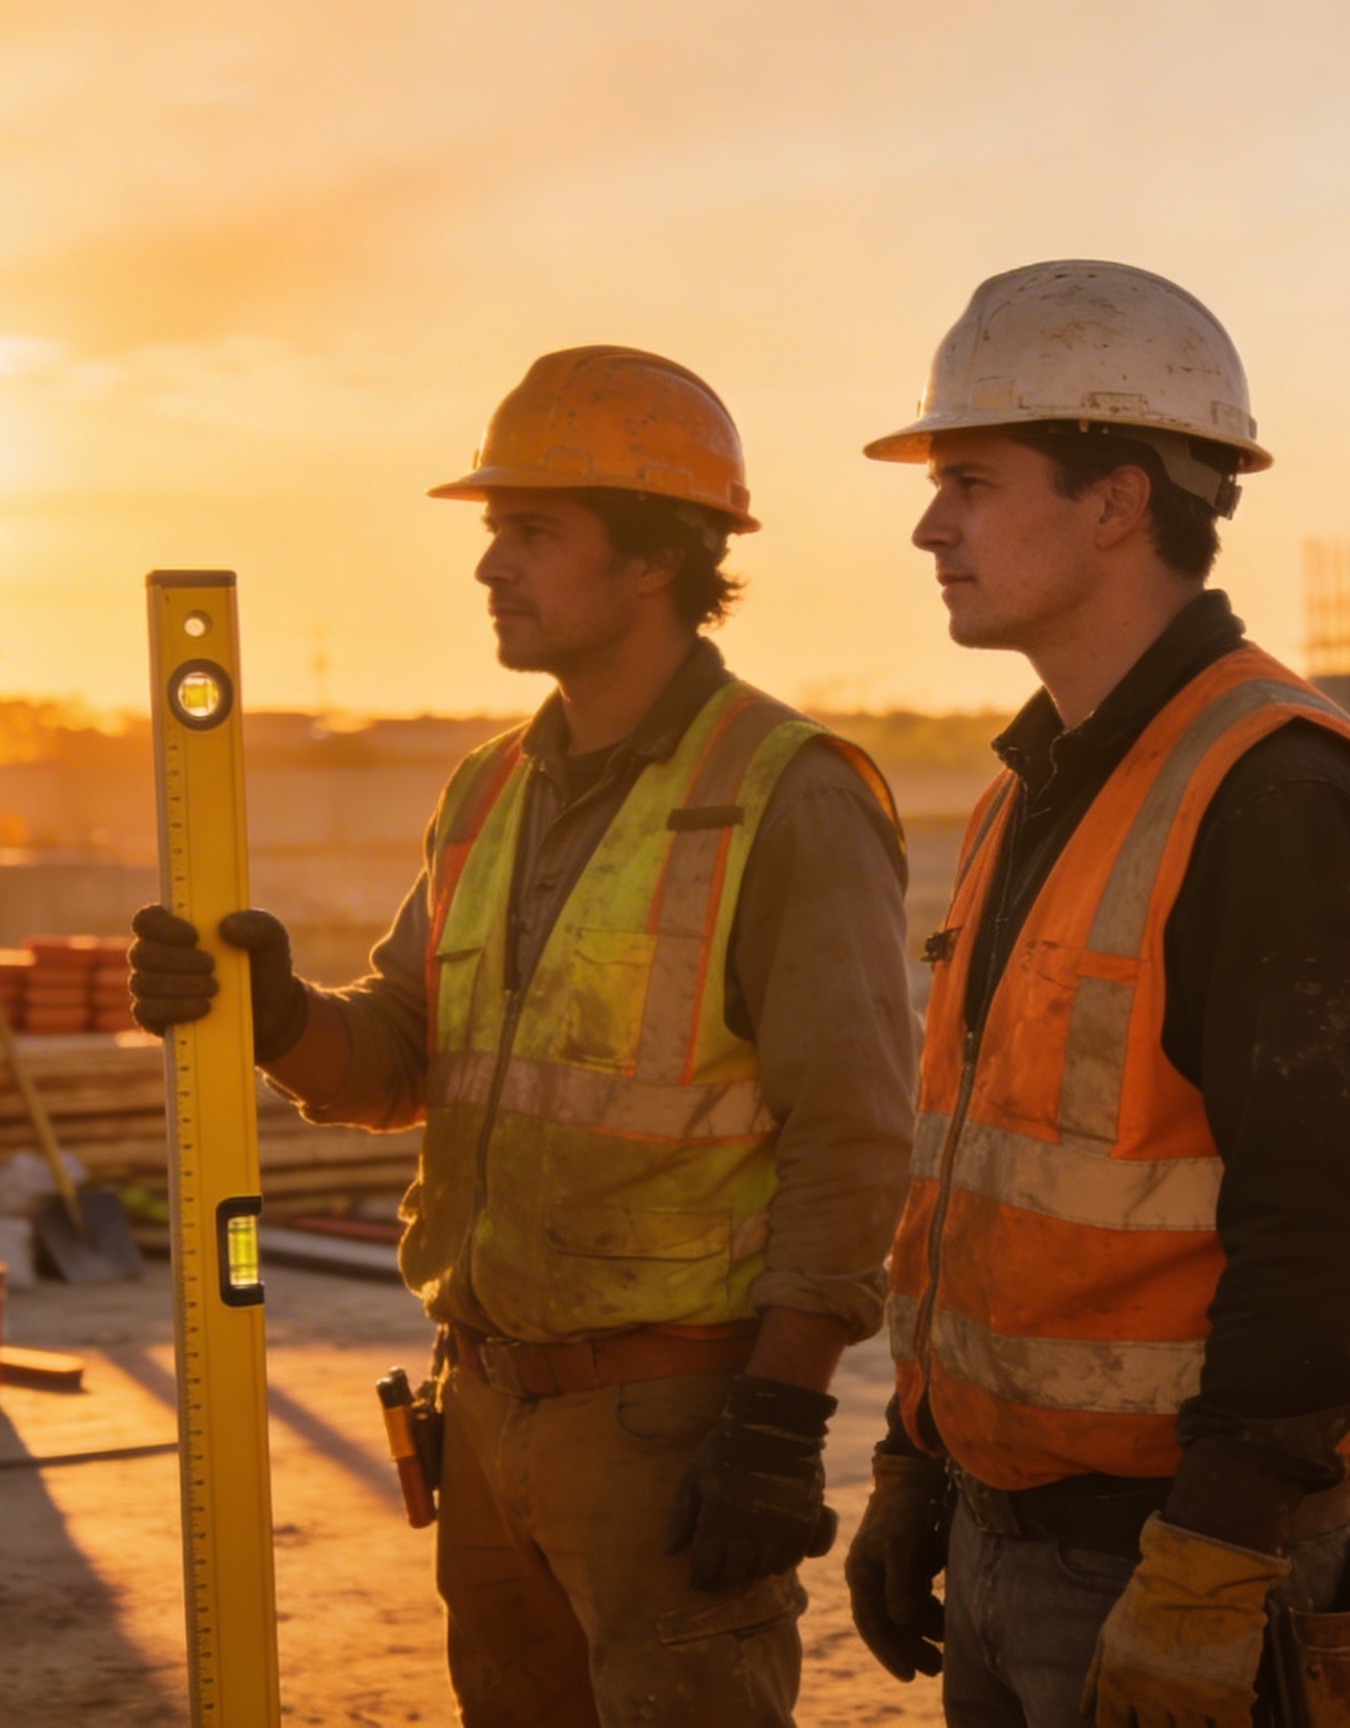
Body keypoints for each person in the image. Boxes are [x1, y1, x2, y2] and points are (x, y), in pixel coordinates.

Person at [127, 345, 917, 1727]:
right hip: (484, 1407)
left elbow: (853, 1141)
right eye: (494, 531)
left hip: (670, 1419)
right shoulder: (487, 789)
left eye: (532, 532)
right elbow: (404, 1059)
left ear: (655, 559)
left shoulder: (788, 797)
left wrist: (780, 1420)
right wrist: (276, 1018)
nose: (491, 563)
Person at [844, 259, 1350, 1728]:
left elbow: (1328, 1230)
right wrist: (920, 1469)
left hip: (1189, 1563)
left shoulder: (1278, 791)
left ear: (1116, 500)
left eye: (972, 480)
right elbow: (988, 1178)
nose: (930, 524)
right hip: (1010, 1539)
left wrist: (1214, 1561)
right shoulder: (1034, 791)